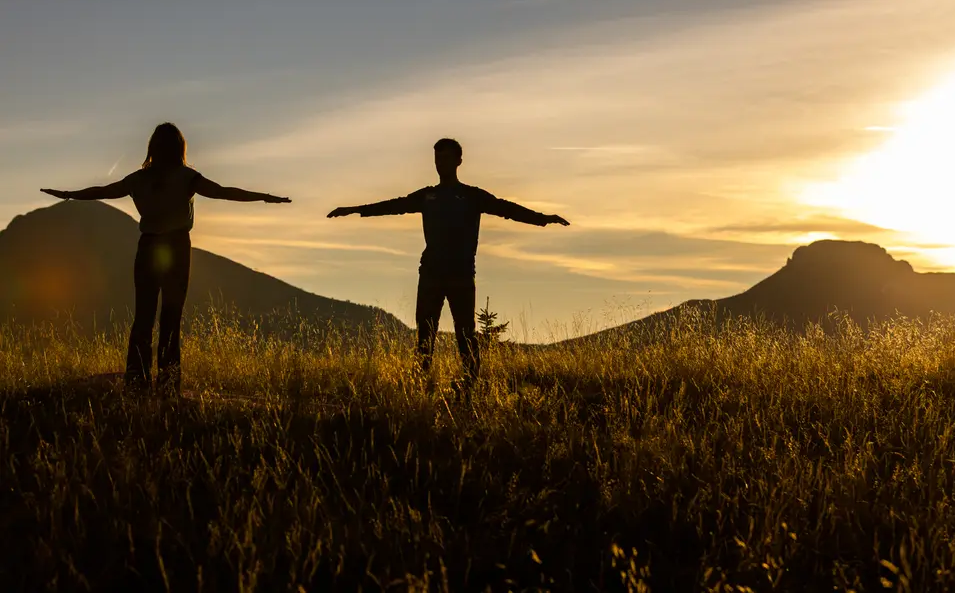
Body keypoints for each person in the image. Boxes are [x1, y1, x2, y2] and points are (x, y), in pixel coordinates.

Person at [41, 122, 291, 396]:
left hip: (148, 247)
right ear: (180, 148)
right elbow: (222, 192)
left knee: (143, 317)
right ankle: (169, 386)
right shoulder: (187, 177)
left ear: (152, 148)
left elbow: (102, 190)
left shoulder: (138, 179)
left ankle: (137, 382)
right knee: (171, 317)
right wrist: (264, 197)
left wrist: (69, 195)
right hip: (176, 247)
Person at [327, 138, 569, 395]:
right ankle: (420, 387)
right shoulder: (427, 196)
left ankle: (470, 386)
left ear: (458, 161)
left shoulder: (472, 196)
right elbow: (395, 205)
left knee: (465, 334)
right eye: (437, 158)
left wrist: (542, 219)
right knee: (425, 334)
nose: (440, 163)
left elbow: (506, 208)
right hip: (430, 273)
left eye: (445, 158)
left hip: (461, 275)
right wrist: (356, 209)